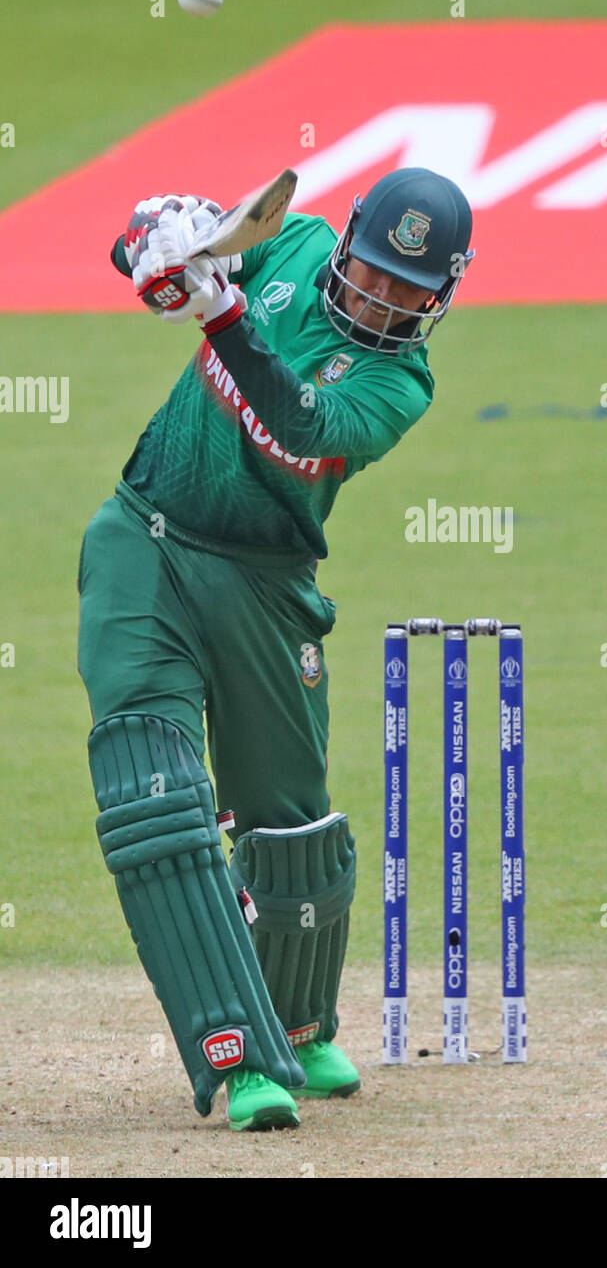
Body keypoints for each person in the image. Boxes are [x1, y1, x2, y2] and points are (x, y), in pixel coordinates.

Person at [77, 167, 473, 1130]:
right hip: (146, 536)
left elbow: (299, 423)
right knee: (153, 787)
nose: (385, 298)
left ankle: (297, 1024)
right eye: (374, 273)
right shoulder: (285, 243)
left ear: (442, 293)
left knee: (289, 826)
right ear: (344, 247)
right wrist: (160, 248)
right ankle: (237, 1057)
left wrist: (223, 320)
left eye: (410, 289)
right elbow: (142, 257)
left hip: (265, 579)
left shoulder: (397, 382)